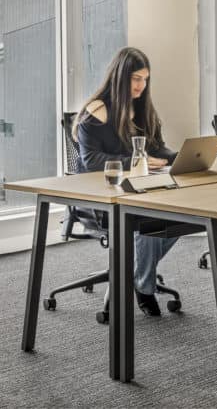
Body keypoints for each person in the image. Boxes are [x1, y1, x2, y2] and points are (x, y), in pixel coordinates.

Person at [73, 47, 178, 316]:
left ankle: (135, 273)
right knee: (149, 220)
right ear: (120, 77)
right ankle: (144, 286)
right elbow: (93, 161)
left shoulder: (143, 110)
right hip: (101, 197)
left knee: (184, 218)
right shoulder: (95, 111)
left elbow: (158, 148)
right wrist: (137, 160)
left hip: (140, 189)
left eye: (145, 79)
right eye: (135, 79)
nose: (141, 86)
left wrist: (180, 157)